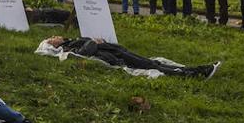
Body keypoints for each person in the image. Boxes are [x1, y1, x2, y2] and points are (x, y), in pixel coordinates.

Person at [40, 36, 218, 78]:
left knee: (153, 63)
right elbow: (84, 53)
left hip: (117, 52)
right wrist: (93, 42)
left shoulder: (72, 40)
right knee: (151, 65)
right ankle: (194, 73)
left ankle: (194, 71)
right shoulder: (68, 49)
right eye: (52, 38)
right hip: (116, 58)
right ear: (54, 44)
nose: (56, 36)